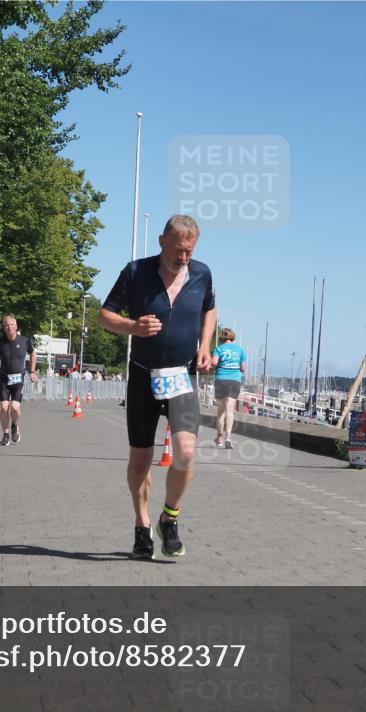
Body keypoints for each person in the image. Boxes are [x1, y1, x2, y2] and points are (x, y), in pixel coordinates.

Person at [99, 214, 216, 560]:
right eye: (178, 250)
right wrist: (132, 326)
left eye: (189, 252)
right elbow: (104, 316)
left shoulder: (202, 273)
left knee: (186, 451)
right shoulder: (136, 272)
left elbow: (209, 309)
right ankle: (141, 525)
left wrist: (205, 345)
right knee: (140, 459)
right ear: (162, 241)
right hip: (142, 376)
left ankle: (170, 517)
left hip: (180, 376)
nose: (183, 258)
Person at [0, 315, 36, 445]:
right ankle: (6, 434)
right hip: (4, 379)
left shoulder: (24, 341)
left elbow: (33, 354)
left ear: (16, 326)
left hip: (18, 379)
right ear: (4, 328)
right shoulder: (0, 342)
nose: (9, 327)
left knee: (14, 407)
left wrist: (32, 371)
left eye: (11, 325)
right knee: (4, 407)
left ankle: (14, 425)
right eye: (6, 325)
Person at [211, 328, 246, 448]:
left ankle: (219, 438)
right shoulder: (240, 350)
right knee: (230, 411)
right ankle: (229, 438)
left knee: (221, 411)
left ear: (221, 338)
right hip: (234, 380)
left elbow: (214, 363)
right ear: (232, 337)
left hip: (221, 379)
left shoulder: (218, 349)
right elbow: (243, 368)